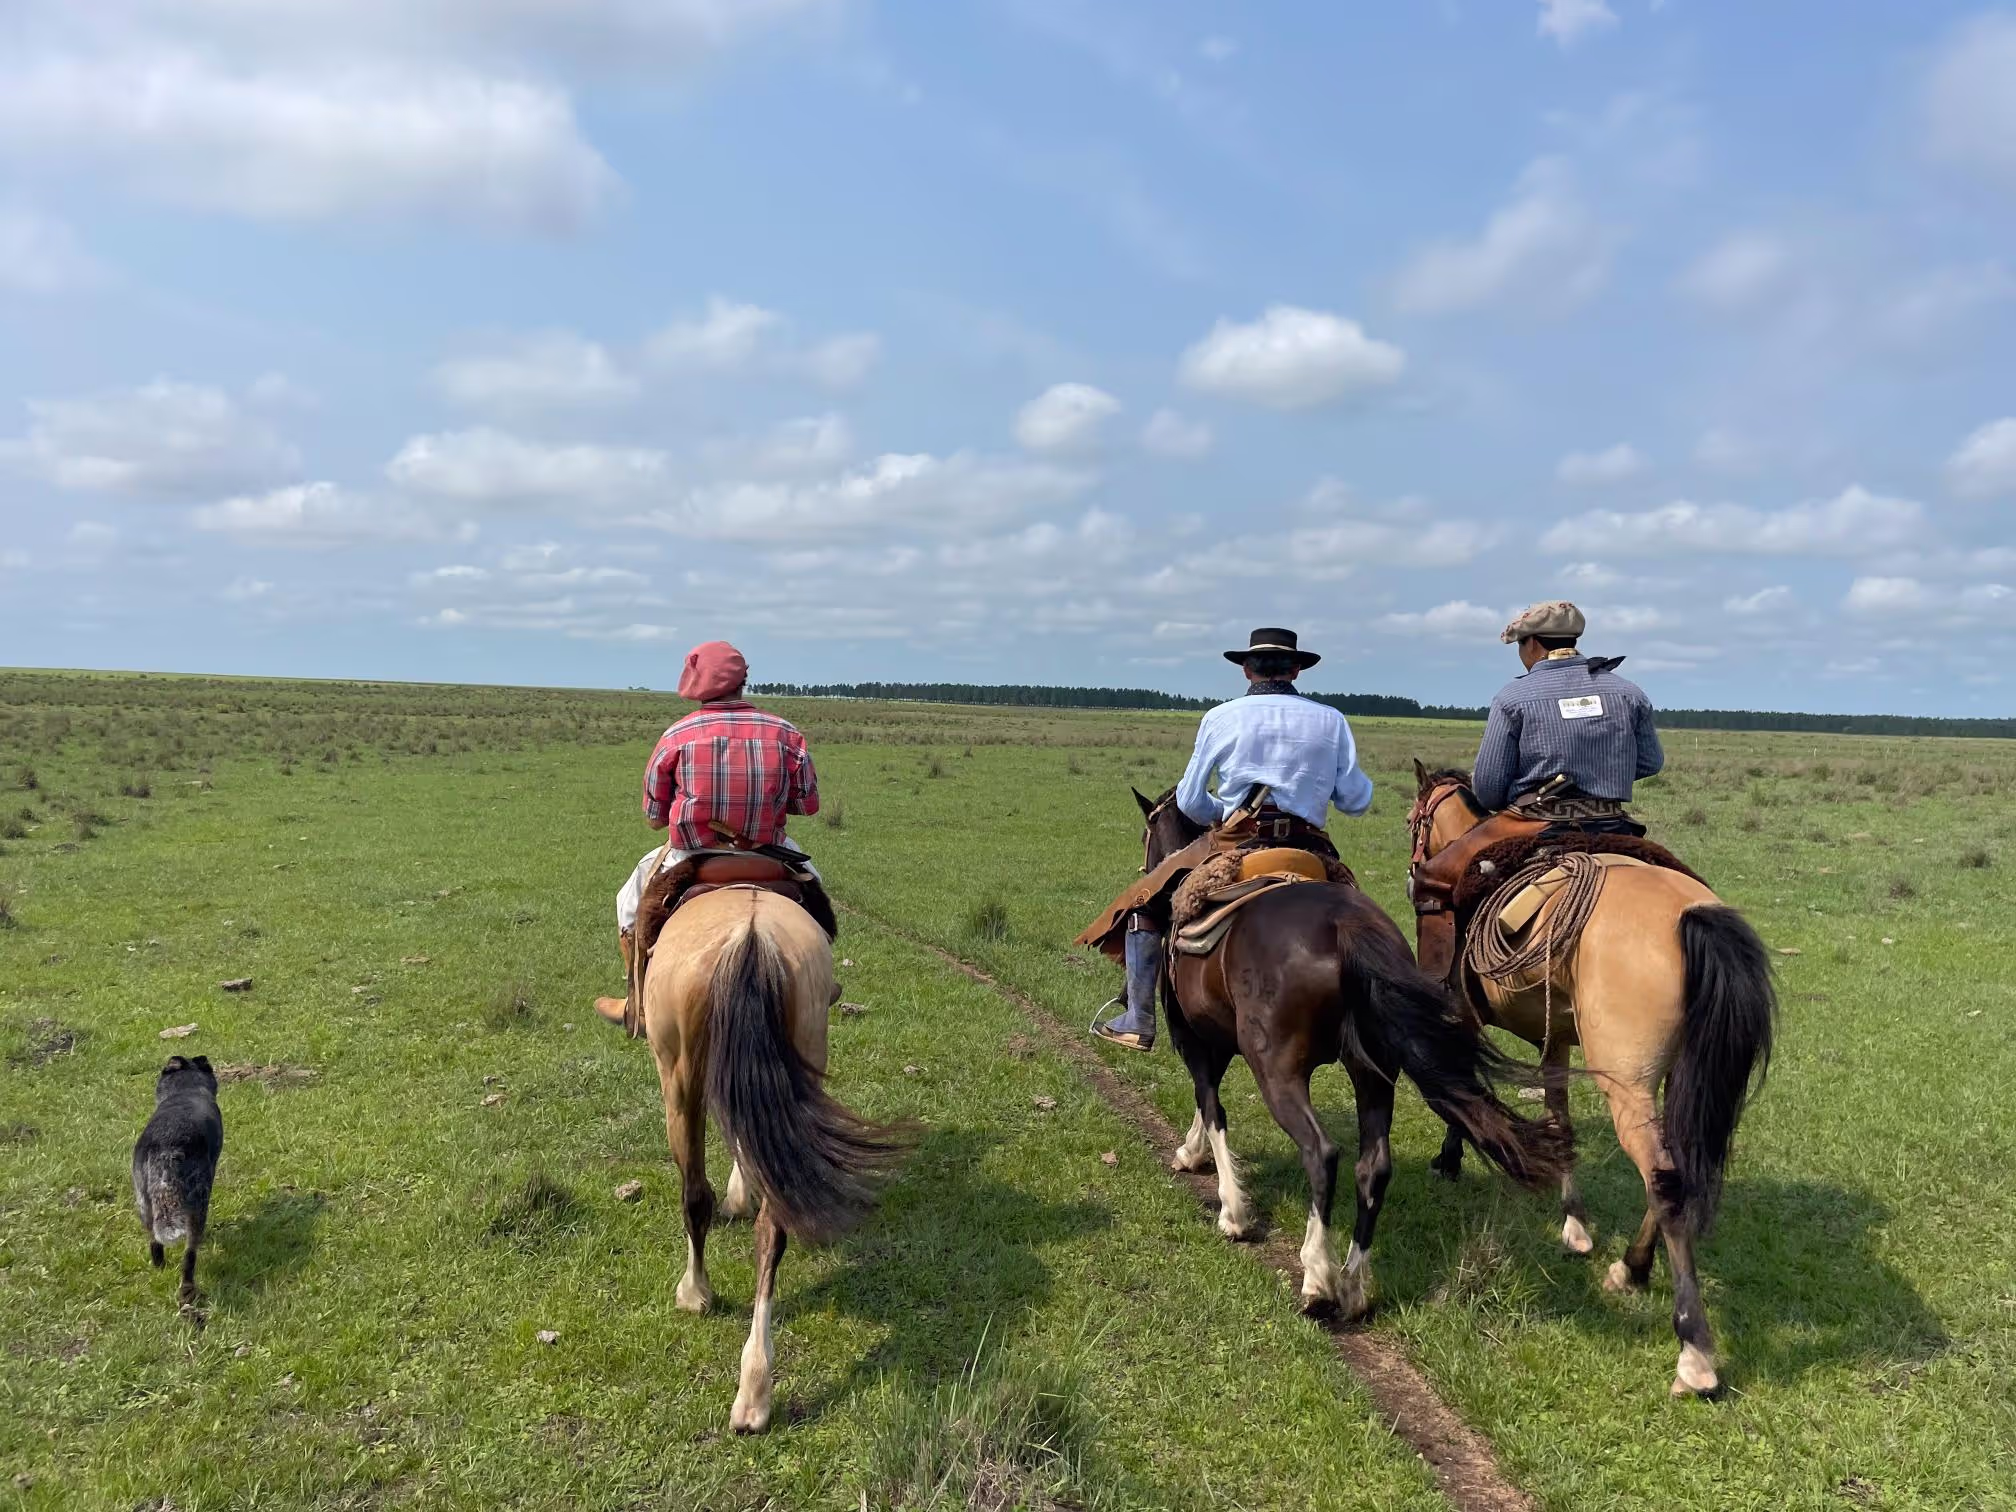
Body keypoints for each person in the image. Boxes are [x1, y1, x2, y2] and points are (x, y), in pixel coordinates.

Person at [1090, 627, 1374, 1051]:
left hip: (1240, 846)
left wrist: (1221, 815)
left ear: (1246, 670)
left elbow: (1187, 800)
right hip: (1308, 850)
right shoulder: (1331, 720)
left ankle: (1138, 1017)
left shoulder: (1220, 717)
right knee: (1365, 921)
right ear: (1297, 670)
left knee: (1146, 902)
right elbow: (1356, 799)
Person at [593, 640, 825, 1028]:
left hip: (693, 858)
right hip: (768, 854)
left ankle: (637, 998)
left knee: (630, 902)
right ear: (742, 681)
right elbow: (809, 804)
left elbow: (654, 817)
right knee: (816, 898)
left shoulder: (676, 735)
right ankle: (819, 982)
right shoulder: (786, 733)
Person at [1470, 601, 1663, 829]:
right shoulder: (1629, 693)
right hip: (1612, 825)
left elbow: (1488, 791)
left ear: (1531, 643)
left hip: (1536, 827)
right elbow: (1650, 763)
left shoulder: (1511, 698)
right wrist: (1601, 776)